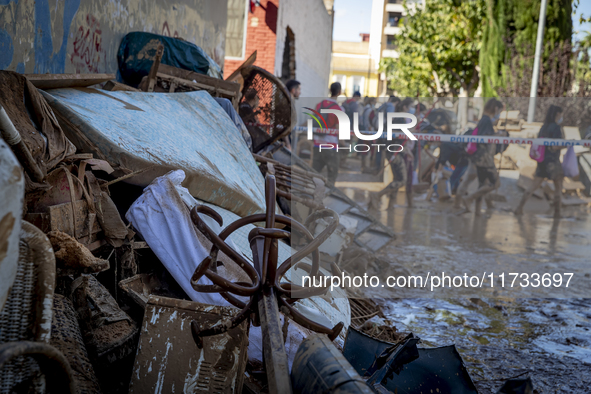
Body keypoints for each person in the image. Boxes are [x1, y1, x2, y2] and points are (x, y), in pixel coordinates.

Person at [514, 105, 566, 218]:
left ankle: (519, 208)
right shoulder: (556, 128)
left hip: (542, 161)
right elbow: (556, 146)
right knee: (558, 187)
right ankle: (557, 213)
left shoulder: (544, 127)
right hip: (553, 161)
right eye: (561, 114)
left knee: (533, 186)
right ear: (557, 114)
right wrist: (567, 144)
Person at [459, 98, 504, 215]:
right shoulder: (486, 121)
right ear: (496, 109)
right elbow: (485, 139)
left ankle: (477, 213)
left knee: (482, 185)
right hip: (485, 160)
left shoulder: (483, 120)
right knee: (495, 183)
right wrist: (498, 135)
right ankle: (470, 198)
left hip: (480, 159)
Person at [370, 97, 414, 210]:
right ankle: (378, 195)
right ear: (404, 107)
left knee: (396, 178)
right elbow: (397, 139)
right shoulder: (399, 119)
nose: (410, 110)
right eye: (409, 107)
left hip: (394, 151)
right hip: (395, 152)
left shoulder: (396, 118)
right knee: (401, 180)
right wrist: (404, 150)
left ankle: (390, 206)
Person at [312, 82, 344, 187]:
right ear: (339, 92)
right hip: (331, 146)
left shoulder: (318, 105)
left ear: (330, 91)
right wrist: (343, 143)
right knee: (332, 174)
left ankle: (311, 195)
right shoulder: (338, 109)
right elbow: (339, 130)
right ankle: (329, 197)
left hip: (317, 144)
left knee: (314, 173)